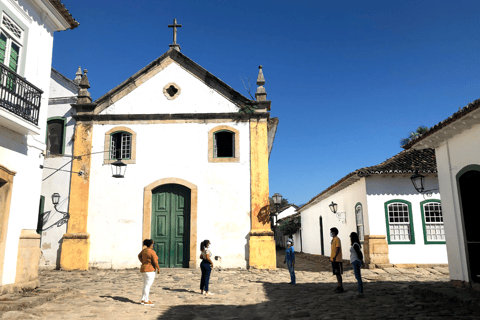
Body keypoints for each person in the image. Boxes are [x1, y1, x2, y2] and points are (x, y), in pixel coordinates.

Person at [138, 239, 160, 306]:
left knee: (145, 285)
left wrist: (143, 262)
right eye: (153, 244)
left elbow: (139, 256)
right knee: (147, 286)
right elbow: (155, 262)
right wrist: (158, 268)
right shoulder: (152, 252)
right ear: (150, 245)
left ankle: (143, 299)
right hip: (150, 270)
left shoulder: (144, 251)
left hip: (143, 269)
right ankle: (146, 301)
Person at [350, 232, 364, 297]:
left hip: (356, 261)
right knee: (357, 277)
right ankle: (360, 291)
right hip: (355, 261)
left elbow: (359, 253)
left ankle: (360, 292)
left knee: (358, 277)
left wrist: (361, 261)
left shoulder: (355, 244)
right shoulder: (355, 244)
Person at [330, 227, 343, 293]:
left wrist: (335, 257)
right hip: (334, 259)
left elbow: (337, 248)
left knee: (338, 273)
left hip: (337, 259)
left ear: (334, 232)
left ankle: (340, 286)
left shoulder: (337, 239)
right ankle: (338, 285)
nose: (330, 233)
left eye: (331, 232)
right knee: (336, 273)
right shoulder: (333, 239)